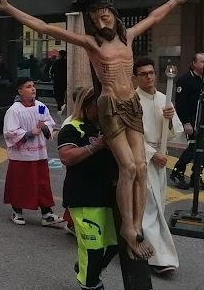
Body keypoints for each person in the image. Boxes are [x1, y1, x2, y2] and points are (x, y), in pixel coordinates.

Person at [0, 0, 193, 259]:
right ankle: (128, 230)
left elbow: (154, 17)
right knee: (128, 166)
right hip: (110, 105)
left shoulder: (127, 37)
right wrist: (8, 7)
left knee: (141, 166)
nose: (100, 18)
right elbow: (46, 29)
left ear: (113, 14)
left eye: (104, 13)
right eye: (95, 16)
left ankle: (138, 224)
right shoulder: (91, 43)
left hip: (131, 103)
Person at [57, 87, 119, 290]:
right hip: (83, 197)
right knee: (93, 249)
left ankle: (85, 270)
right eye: (97, 106)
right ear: (86, 105)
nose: (102, 110)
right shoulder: (73, 127)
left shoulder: (105, 127)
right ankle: (90, 284)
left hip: (107, 196)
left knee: (114, 244)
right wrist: (96, 146)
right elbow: (67, 157)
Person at [134, 57, 182, 275]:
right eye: (144, 74)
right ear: (136, 77)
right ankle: (159, 259)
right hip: (140, 158)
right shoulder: (132, 100)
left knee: (157, 206)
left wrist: (169, 119)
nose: (149, 77)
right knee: (150, 207)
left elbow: (173, 133)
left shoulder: (164, 99)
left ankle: (140, 247)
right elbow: (129, 135)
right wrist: (152, 155)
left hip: (160, 158)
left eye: (151, 72)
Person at [3, 77, 64, 227]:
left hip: (39, 153)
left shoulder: (40, 106)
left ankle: (47, 213)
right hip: (21, 155)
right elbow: (10, 132)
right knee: (20, 183)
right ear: (20, 91)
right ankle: (17, 211)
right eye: (28, 87)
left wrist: (43, 127)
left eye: (33, 86)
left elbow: (48, 121)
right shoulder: (14, 110)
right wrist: (30, 132)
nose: (33, 89)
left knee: (42, 183)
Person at [169, 52, 204, 191]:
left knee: (203, 148)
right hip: (192, 120)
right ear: (194, 63)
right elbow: (181, 103)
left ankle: (196, 176)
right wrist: (186, 122)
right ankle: (177, 172)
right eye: (202, 61)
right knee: (193, 147)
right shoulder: (185, 79)